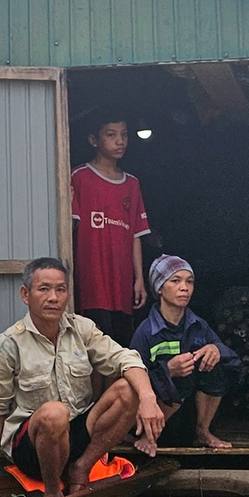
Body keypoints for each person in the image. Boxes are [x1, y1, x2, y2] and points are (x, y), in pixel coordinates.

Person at [0, 257, 165, 497]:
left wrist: (147, 398)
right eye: (44, 289)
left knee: (129, 389)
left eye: (61, 289)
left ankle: (81, 469)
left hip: (77, 436)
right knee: (54, 413)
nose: (53, 298)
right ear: (25, 295)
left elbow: (126, 358)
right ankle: (52, 492)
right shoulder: (8, 345)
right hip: (32, 448)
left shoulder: (82, 329)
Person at [130, 255, 242, 451]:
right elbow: (131, 381)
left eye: (189, 281)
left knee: (214, 363)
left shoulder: (198, 326)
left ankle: (203, 432)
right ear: (159, 288)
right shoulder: (146, 332)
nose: (184, 287)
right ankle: (150, 436)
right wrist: (168, 371)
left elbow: (235, 362)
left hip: (188, 417)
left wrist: (217, 349)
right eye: (175, 281)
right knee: (182, 373)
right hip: (152, 418)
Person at [70, 110, 151, 346]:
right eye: (111, 135)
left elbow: (136, 234)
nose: (120, 141)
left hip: (122, 279)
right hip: (92, 278)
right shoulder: (80, 177)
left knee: (122, 343)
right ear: (94, 140)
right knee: (94, 342)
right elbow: (70, 227)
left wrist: (139, 279)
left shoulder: (132, 184)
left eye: (124, 135)